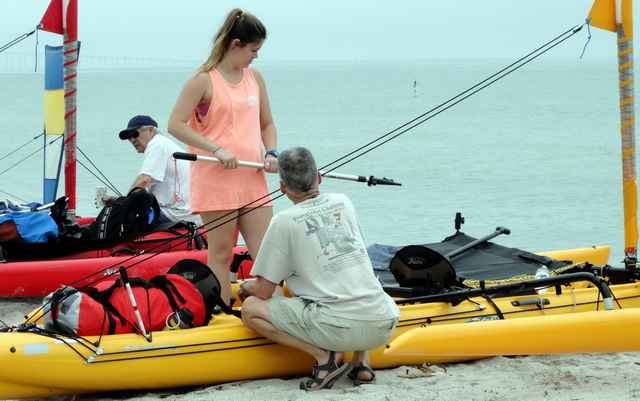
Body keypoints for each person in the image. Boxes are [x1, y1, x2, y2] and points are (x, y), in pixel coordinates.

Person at [238, 147, 400, 391]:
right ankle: (361, 362)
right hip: (384, 321)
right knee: (350, 273)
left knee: (251, 308)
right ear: (319, 177)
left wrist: (245, 287)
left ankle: (325, 358)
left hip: (340, 328)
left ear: (282, 187)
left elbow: (263, 291)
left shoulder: (283, 221)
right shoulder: (343, 202)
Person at [168, 8, 277, 305]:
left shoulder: (255, 78)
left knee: (267, 252)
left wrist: (271, 152)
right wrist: (215, 149)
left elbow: (267, 124)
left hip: (252, 178)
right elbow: (175, 124)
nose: (256, 56)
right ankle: (222, 308)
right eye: (253, 49)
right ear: (236, 44)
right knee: (220, 253)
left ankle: (271, 308)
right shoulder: (203, 79)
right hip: (215, 180)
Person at [118, 115, 201, 225]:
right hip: (184, 211)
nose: (132, 139)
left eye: (135, 134)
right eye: (129, 137)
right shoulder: (164, 144)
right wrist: (119, 200)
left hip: (178, 214)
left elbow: (143, 180)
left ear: (151, 130)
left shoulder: (157, 144)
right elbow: (144, 190)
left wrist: (123, 204)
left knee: (121, 220)